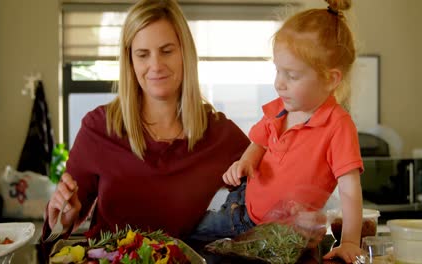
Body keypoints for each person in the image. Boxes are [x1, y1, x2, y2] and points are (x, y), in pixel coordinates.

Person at [42, 0, 249, 242]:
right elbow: (65, 220)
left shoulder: (219, 134)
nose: (156, 65)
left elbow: (269, 183)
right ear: (130, 61)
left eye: (167, 51)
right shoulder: (99, 127)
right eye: (143, 54)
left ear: (185, 53)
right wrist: (64, 217)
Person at [193, 0, 364, 263]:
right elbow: (259, 142)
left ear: (331, 79)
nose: (279, 83)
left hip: (284, 239)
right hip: (241, 213)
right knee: (189, 234)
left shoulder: (338, 126)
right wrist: (246, 161)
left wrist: (350, 241)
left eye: (292, 76)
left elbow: (350, 190)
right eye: (277, 71)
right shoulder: (279, 109)